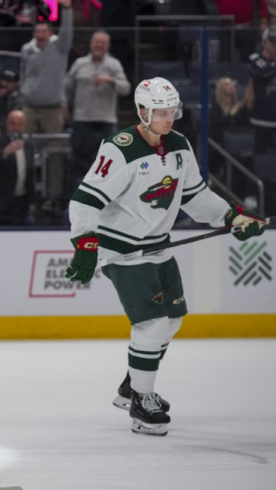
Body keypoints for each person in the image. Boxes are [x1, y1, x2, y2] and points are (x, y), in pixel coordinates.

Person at [66, 78, 267, 437]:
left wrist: (231, 217)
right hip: (124, 250)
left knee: (172, 319)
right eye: (160, 112)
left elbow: (194, 195)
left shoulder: (178, 145)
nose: (168, 118)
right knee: (152, 325)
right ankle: (142, 403)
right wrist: (84, 242)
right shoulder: (120, 149)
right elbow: (85, 200)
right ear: (143, 112)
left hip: (158, 245)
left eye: (172, 110)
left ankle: (132, 386)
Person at [19, 0, 72, 204]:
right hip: (30, 108)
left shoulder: (59, 47)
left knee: (54, 154)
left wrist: (66, 10)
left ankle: (53, 196)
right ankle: (24, 192)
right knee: (24, 150)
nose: (40, 35)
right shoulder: (27, 49)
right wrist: (23, 94)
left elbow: (67, 32)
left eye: (43, 31)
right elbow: (23, 75)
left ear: (50, 33)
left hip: (52, 109)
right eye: (37, 31)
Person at [66, 30, 130, 177]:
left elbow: (125, 89)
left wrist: (110, 80)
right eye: (97, 42)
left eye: (103, 43)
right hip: (82, 118)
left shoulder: (114, 65)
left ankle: (105, 189)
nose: (99, 45)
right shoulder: (79, 64)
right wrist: (65, 107)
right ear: (90, 44)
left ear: (108, 46)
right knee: (79, 158)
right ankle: (80, 189)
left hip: (106, 120)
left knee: (110, 157)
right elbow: (68, 87)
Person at [247, 27, 276, 155]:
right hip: (262, 118)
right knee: (260, 154)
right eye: (272, 41)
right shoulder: (255, 60)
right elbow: (263, 74)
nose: (275, 44)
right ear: (263, 43)